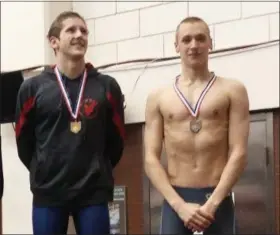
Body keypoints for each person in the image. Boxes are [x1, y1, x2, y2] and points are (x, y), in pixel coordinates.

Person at [15, 11, 125, 235]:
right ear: (53, 41)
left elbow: (117, 141)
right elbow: (23, 142)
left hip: (93, 193)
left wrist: (97, 169)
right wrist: (44, 169)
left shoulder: (106, 86)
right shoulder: (32, 89)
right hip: (49, 192)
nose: (79, 35)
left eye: (84, 31)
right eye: (71, 30)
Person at [144, 16, 250, 235]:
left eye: (201, 39)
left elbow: (238, 152)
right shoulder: (158, 97)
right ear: (176, 46)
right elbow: (150, 159)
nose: (194, 45)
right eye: (187, 40)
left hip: (217, 198)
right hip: (177, 201)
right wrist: (179, 206)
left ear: (211, 43)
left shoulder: (232, 90)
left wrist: (213, 203)